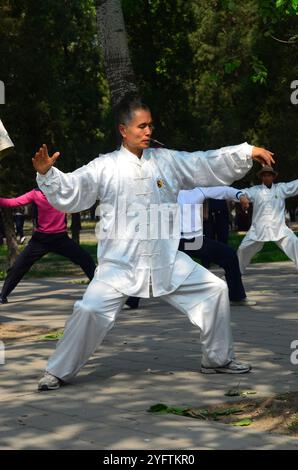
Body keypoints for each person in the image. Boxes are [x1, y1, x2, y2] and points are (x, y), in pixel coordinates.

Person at [32, 93, 274, 390]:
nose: (148, 131)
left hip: (165, 259)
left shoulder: (166, 161)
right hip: (119, 265)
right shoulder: (104, 166)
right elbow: (73, 188)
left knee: (214, 289)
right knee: (89, 310)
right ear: (123, 130)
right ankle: (56, 371)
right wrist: (47, 175)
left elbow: (202, 162)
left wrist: (245, 152)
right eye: (141, 126)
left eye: (150, 126)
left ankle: (218, 360)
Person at [126, 186, 256, 309]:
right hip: (170, 241)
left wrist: (240, 195)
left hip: (195, 240)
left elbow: (223, 190)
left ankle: (237, 297)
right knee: (148, 265)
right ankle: (131, 300)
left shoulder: (198, 190)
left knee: (229, 255)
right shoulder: (163, 190)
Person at [0, 188, 96, 303]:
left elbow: (81, 197)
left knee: (86, 260)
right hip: (40, 240)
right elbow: (13, 202)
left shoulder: (63, 191)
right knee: (18, 266)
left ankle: (104, 293)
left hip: (61, 239)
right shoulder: (35, 193)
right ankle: (3, 295)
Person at [237, 165, 298, 273]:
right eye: (264, 176)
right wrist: (239, 196)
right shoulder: (255, 190)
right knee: (243, 249)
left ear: (273, 177)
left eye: (269, 175)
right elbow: (240, 193)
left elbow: (295, 184)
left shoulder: (281, 188)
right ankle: (237, 270)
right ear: (261, 177)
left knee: (295, 243)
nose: (266, 178)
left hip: (279, 228)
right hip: (258, 229)